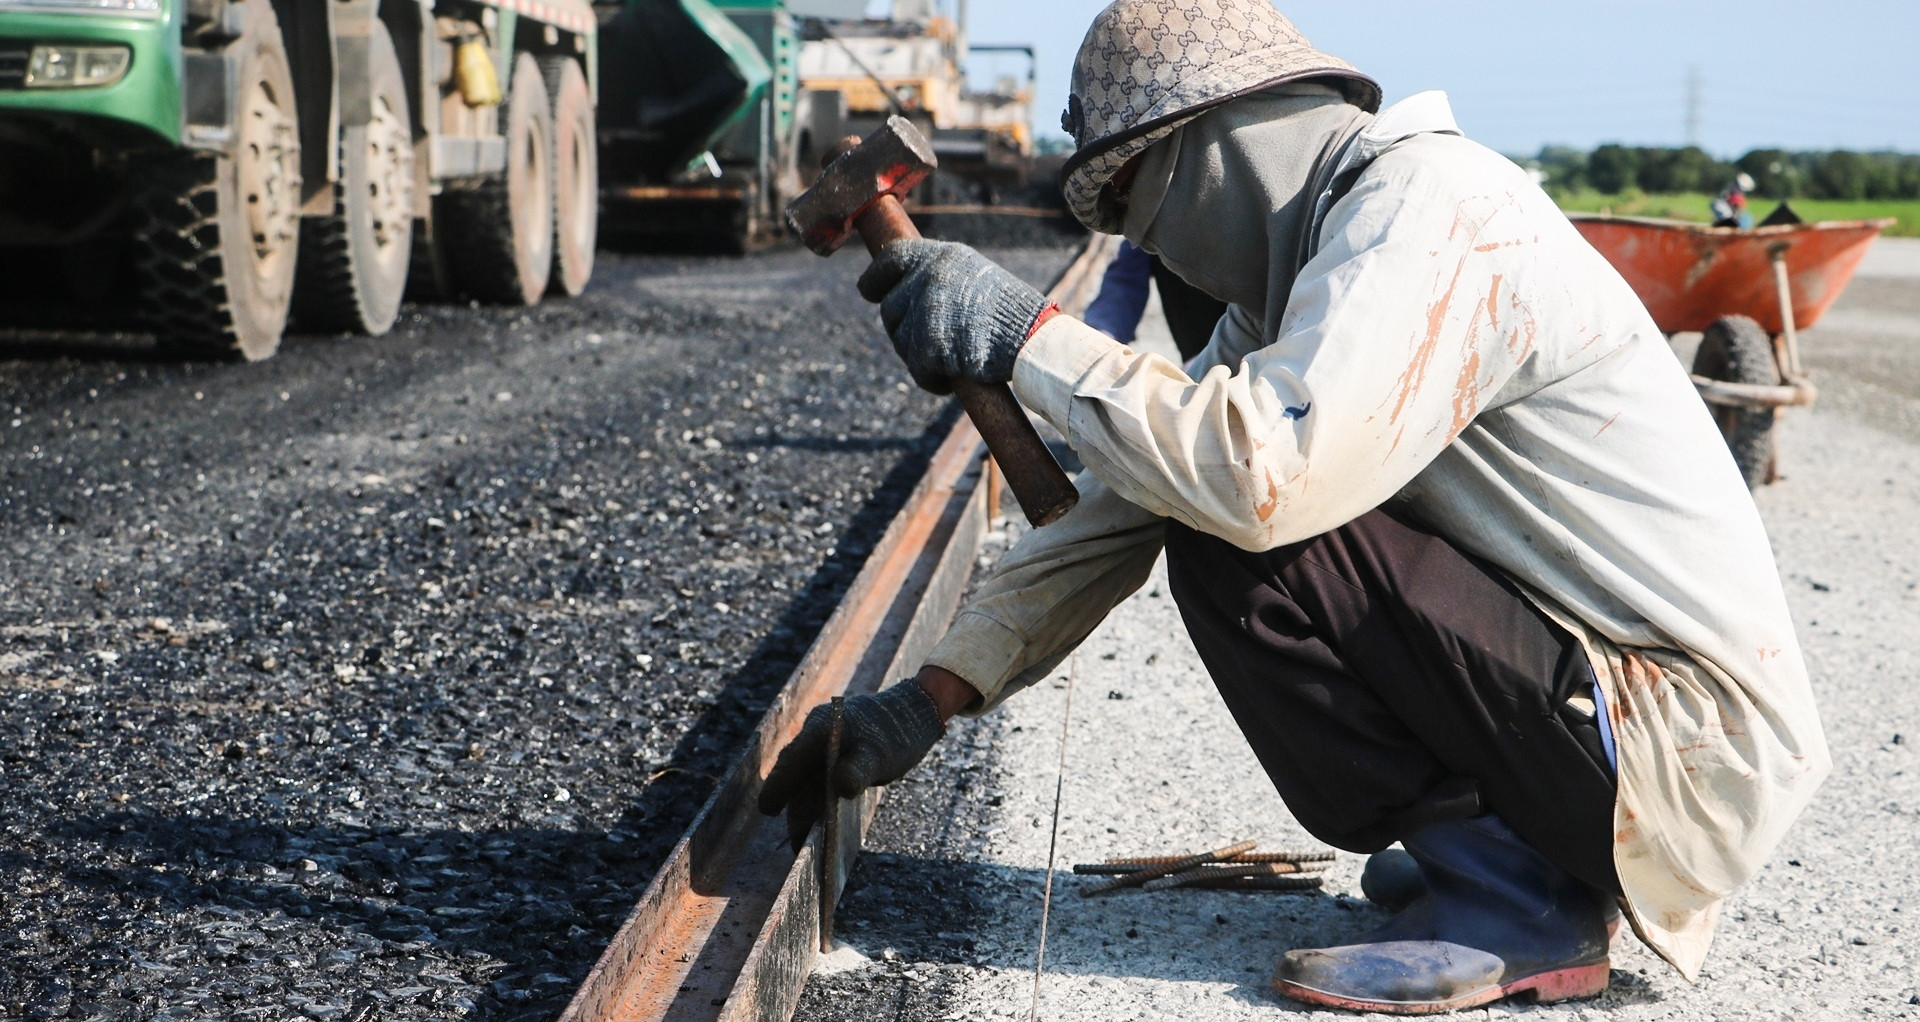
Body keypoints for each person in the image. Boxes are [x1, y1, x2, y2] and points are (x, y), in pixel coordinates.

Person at [758, 0, 1829, 1013]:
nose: (1147, 249)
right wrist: (930, 699)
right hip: (1619, 718)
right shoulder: (1322, 275)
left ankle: (1519, 898)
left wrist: (1024, 332)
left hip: (1680, 746)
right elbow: (1128, 499)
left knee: (1248, 545)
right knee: (1205, 495)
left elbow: (1255, 476)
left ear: (1210, 147)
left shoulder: (1434, 214)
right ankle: (1516, 850)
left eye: (1133, 208)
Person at [1080, 239, 1226, 360]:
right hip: (1196, 344)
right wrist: (1104, 334)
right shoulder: (1159, 214)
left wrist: (1220, 355)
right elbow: (1127, 274)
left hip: (1243, 349)